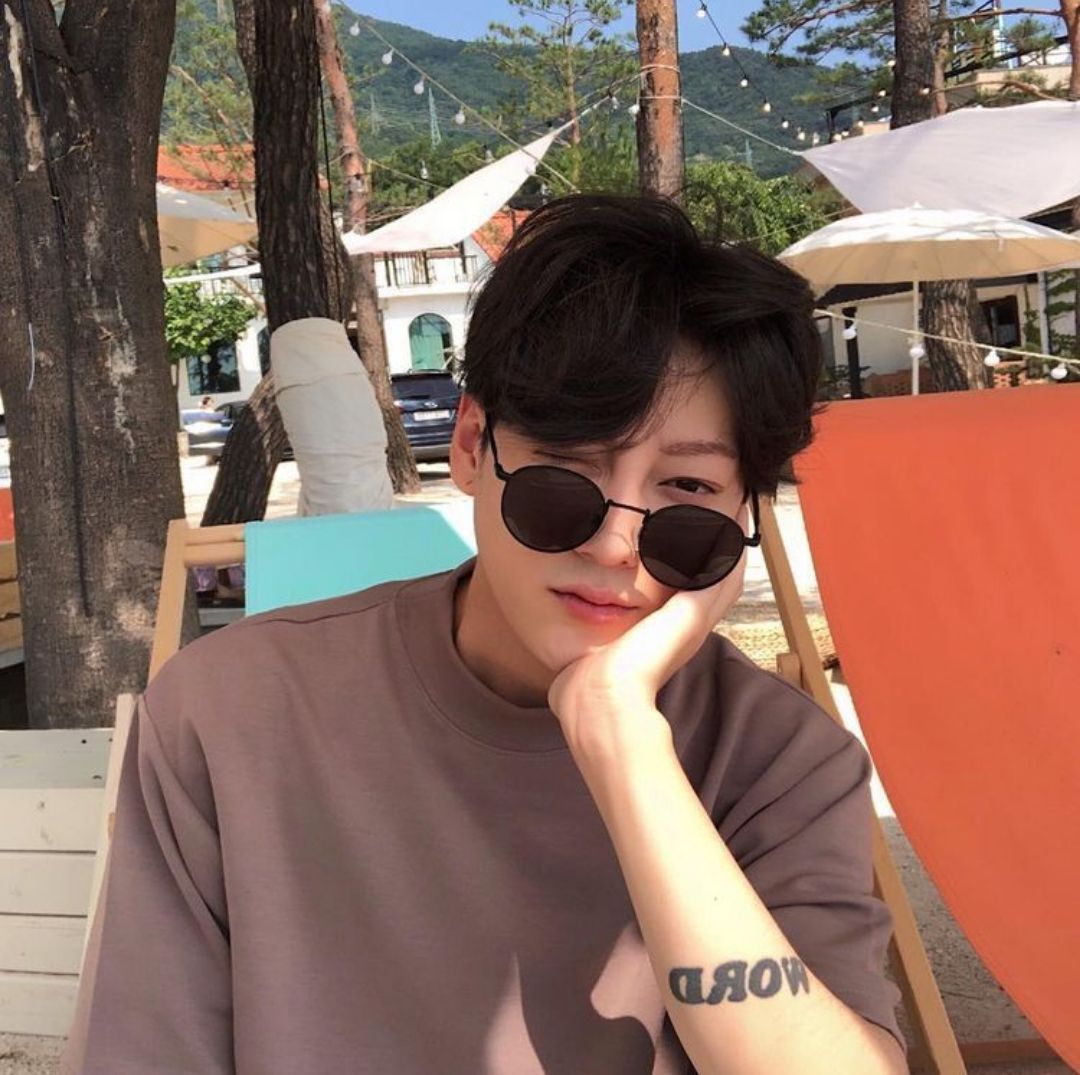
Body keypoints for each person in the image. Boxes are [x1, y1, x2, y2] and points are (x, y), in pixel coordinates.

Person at [63, 195, 906, 1074]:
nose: (615, 545)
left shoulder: (779, 760)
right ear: (471, 445)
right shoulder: (229, 715)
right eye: (564, 475)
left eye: (689, 494)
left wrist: (623, 742)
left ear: (746, 517)